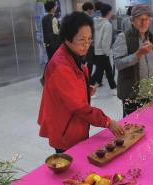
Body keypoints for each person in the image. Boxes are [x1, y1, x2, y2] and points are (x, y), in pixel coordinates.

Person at [38, 12, 124, 153]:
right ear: (68, 37)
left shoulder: (71, 54)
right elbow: (78, 107)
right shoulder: (61, 66)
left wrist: (84, 87)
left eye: (89, 39)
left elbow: (70, 87)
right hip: (65, 128)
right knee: (70, 169)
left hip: (73, 123)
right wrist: (108, 122)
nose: (86, 44)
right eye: (82, 40)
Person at [112, 4, 153, 117]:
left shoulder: (149, 36)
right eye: (140, 19)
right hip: (132, 93)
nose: (144, 22)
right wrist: (138, 54)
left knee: (148, 121)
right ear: (132, 20)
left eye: (147, 19)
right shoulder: (123, 37)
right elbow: (118, 64)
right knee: (132, 125)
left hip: (149, 91)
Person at [90, 3, 117, 93]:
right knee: (99, 71)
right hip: (103, 52)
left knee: (107, 70)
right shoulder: (107, 25)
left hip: (96, 50)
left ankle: (113, 88)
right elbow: (105, 41)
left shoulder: (95, 22)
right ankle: (89, 86)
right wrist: (107, 52)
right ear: (109, 12)